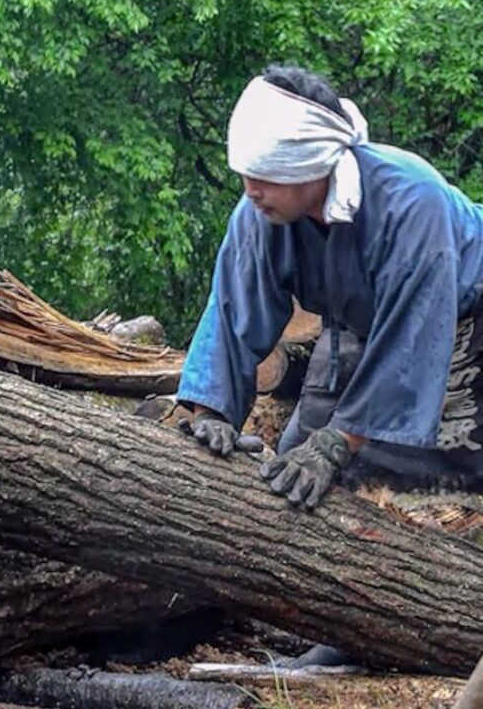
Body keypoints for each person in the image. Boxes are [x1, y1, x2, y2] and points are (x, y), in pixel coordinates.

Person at [178, 65, 483, 664]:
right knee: (290, 475)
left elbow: (412, 340)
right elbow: (234, 307)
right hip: (358, 327)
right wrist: (211, 408)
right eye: (245, 173)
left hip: (464, 317)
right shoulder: (261, 215)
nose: (250, 188)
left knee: (448, 480)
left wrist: (339, 442)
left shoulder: (409, 199)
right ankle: (336, 622)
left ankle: (429, 621)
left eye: (262, 174)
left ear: (308, 165)